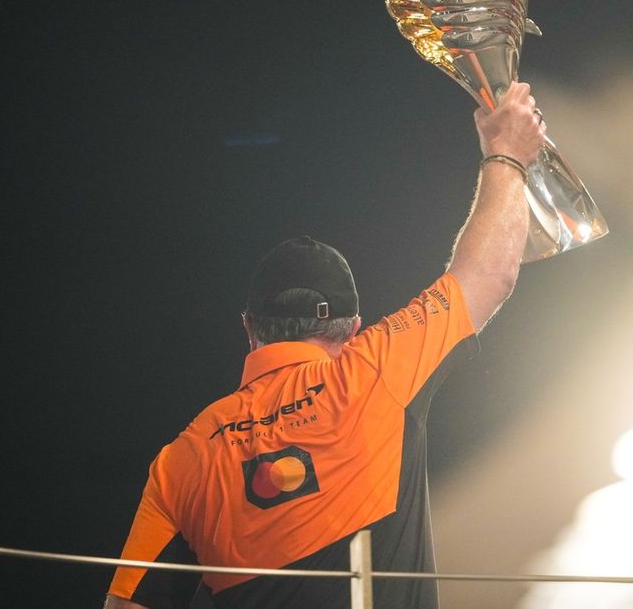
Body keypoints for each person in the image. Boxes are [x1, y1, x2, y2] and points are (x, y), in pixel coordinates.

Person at [105, 81, 546, 608]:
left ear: (250, 328)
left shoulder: (183, 458)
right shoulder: (373, 370)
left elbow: (125, 606)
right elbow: (489, 274)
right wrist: (507, 153)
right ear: (352, 329)